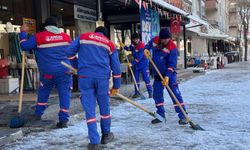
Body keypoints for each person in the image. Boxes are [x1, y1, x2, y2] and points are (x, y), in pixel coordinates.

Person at [66, 26, 121, 150]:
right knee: (104, 107)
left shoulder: (83, 37)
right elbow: (116, 67)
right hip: (102, 79)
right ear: (105, 35)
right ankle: (106, 135)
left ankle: (94, 141)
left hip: (85, 77)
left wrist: (77, 65)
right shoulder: (109, 44)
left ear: (95, 32)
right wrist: (116, 85)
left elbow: (69, 52)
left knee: (89, 109)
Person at [19, 16, 77, 128]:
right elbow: (72, 55)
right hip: (64, 71)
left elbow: (24, 46)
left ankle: (38, 114)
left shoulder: (39, 37)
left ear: (46, 27)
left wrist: (23, 33)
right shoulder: (66, 37)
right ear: (57, 26)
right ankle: (63, 120)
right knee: (64, 94)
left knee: (44, 91)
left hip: (47, 72)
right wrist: (74, 68)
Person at [144, 28, 188, 125]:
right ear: (160, 38)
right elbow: (148, 44)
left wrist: (167, 76)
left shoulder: (172, 47)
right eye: (163, 39)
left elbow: (172, 64)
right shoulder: (155, 40)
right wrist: (146, 49)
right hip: (157, 73)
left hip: (169, 75)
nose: (165, 41)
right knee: (157, 95)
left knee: (175, 95)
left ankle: (183, 115)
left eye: (167, 39)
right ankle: (161, 115)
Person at [122, 33, 152, 98]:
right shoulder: (133, 45)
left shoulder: (141, 46)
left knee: (146, 79)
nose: (136, 40)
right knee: (136, 79)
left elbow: (139, 57)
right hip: (136, 65)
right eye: (134, 39)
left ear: (139, 39)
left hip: (143, 64)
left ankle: (150, 92)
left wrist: (131, 63)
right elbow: (129, 48)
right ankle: (137, 92)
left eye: (137, 39)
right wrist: (124, 46)